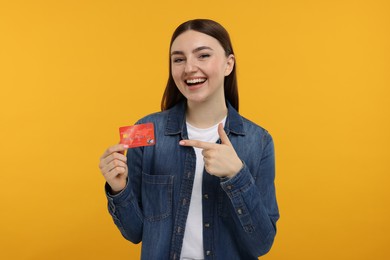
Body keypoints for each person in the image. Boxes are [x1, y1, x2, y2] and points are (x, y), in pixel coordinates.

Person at [99, 19, 279, 260]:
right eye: (179, 59)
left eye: (203, 55)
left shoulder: (259, 141)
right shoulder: (146, 130)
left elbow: (262, 244)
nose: (189, 68)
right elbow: (135, 232)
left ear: (228, 64)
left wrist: (237, 176)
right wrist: (119, 187)